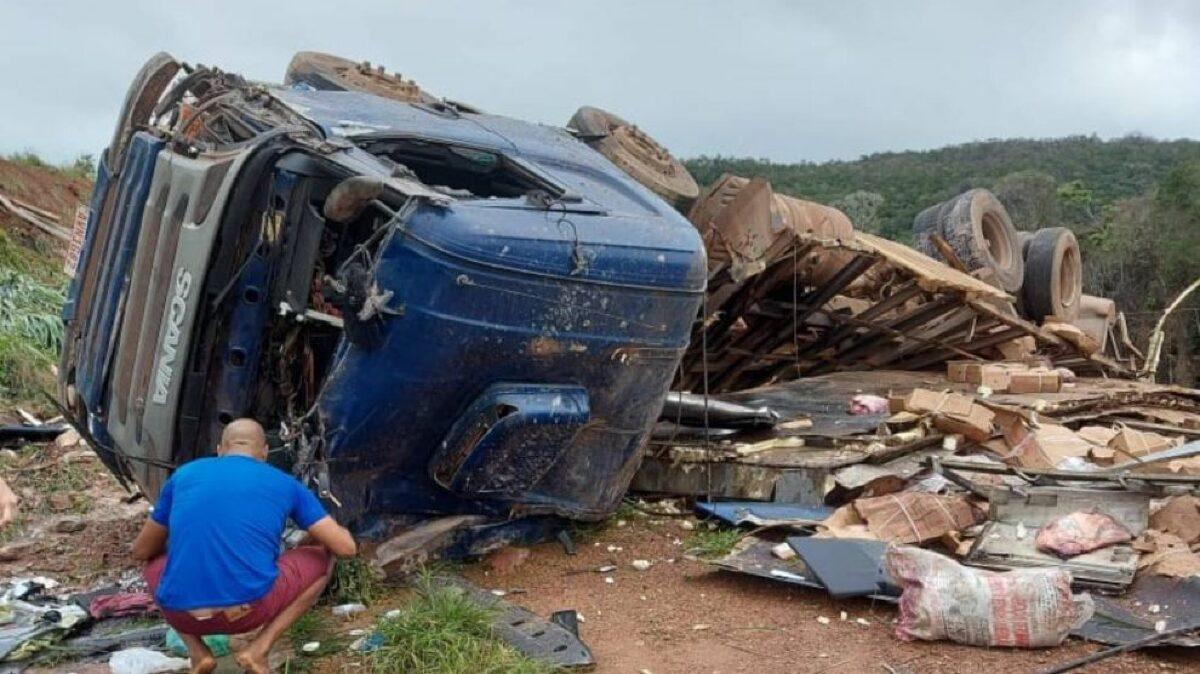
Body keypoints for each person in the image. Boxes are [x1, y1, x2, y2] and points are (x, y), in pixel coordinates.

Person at [130, 419, 357, 674]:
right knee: (322, 558)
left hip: (180, 613)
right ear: (264, 453)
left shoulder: (183, 476)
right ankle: (258, 651)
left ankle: (198, 652)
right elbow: (346, 548)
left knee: (155, 563)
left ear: (219, 450)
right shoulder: (284, 483)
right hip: (249, 611)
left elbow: (141, 551)